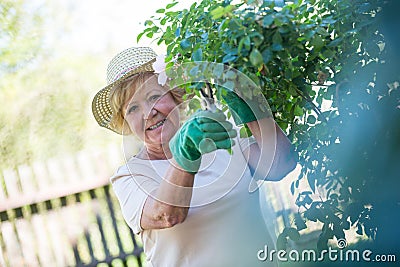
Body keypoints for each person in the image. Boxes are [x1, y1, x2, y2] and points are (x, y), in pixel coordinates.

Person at [92, 46, 297, 267]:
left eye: (154, 96)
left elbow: (281, 165)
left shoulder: (222, 135)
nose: (148, 113)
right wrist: (186, 155)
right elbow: (167, 215)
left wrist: (250, 104)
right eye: (132, 108)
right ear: (126, 123)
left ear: (175, 97)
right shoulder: (130, 177)